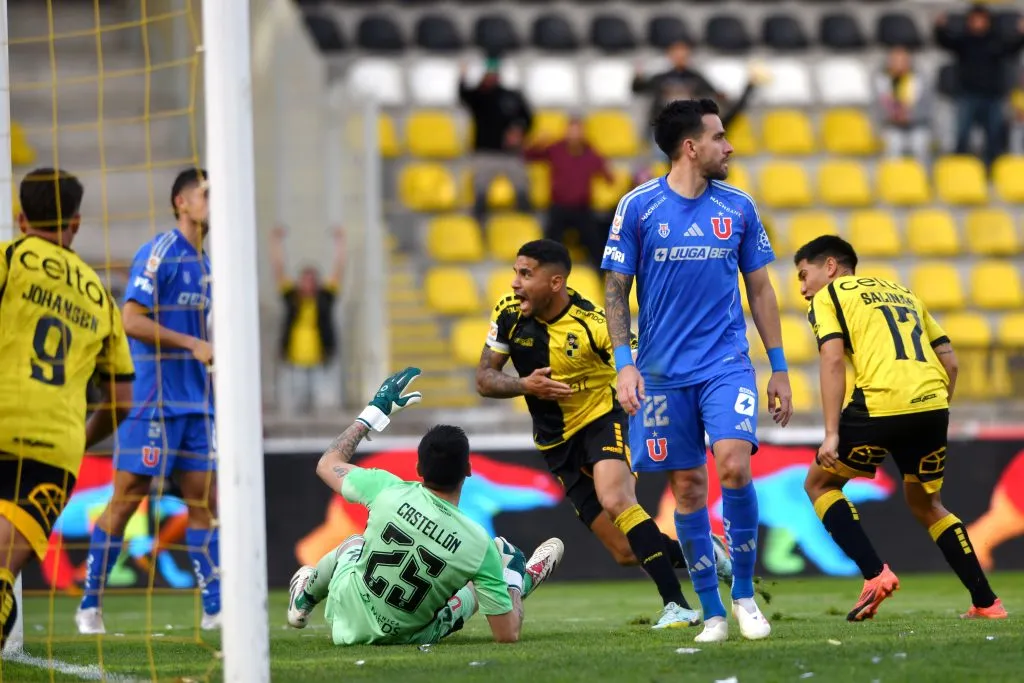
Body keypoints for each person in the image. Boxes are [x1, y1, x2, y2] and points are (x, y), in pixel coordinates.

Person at [603, 99, 793, 643]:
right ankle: (712, 613)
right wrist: (625, 366)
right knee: (687, 489)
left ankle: (744, 596)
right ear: (691, 147)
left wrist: (778, 367)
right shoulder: (637, 207)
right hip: (661, 373)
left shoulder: (739, 206)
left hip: (725, 363)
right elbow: (616, 288)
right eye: (719, 137)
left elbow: (761, 289)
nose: (728, 147)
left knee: (733, 465)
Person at [476, 239, 731, 629]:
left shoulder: (594, 324)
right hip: (556, 443)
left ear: (555, 282)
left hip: (602, 420)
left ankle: (677, 605)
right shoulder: (508, 314)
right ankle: (707, 556)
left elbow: (638, 367)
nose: (515, 283)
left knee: (616, 499)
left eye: (526, 274)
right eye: (516, 273)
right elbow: (484, 379)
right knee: (625, 552)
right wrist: (526, 385)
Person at [793, 235, 1006, 621]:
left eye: (804, 275)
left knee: (820, 484)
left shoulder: (830, 296)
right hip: (932, 404)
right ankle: (987, 603)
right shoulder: (903, 293)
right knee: (928, 504)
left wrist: (832, 433)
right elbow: (951, 362)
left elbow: (832, 359)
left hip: (880, 402)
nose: (803, 288)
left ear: (830, 267)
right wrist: (934, 410)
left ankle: (875, 574)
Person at [286, 367, 564, 645]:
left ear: (418, 468)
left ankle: (303, 600)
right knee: (489, 572)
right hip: (409, 636)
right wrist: (512, 580)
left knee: (353, 544)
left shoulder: (386, 489)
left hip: (345, 620)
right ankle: (519, 581)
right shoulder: (479, 544)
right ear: (468, 470)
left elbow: (327, 465)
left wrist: (374, 413)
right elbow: (507, 634)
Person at [76, 168, 220, 634]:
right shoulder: (160, 253)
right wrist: (192, 344)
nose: (213, 202)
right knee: (127, 500)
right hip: (154, 401)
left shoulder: (207, 265)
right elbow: (131, 319)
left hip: (196, 403)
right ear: (182, 202)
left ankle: (216, 608)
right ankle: (89, 606)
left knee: (205, 501)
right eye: (206, 194)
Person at [0, 168, 135, 647]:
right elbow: (121, 401)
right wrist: (79, 440)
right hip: (53, 449)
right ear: (75, 223)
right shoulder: (99, 295)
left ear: (21, 219)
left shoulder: (9, 259)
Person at [934, 5, 1024, 167]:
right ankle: (960, 166)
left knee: (994, 135)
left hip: (993, 96)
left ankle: (993, 167)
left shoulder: (997, 40)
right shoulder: (964, 40)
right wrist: (940, 28)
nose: (978, 23)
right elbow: (944, 42)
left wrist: (1021, 33)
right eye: (974, 19)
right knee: (962, 133)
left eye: (981, 19)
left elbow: (1013, 48)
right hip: (967, 95)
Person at [270, 225, 345, 415]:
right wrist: (276, 243)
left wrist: (340, 243)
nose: (308, 284)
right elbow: (279, 269)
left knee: (323, 403)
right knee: (295, 404)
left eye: (312, 280)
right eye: (305, 280)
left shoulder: (324, 298)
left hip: (320, 358)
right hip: (294, 360)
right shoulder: (292, 298)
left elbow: (339, 269)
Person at [523, 117, 614, 271]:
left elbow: (608, 177)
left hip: (582, 208)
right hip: (558, 207)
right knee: (548, 245)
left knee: (596, 243)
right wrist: (538, 142)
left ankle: (601, 277)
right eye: (571, 131)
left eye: (578, 131)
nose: (574, 135)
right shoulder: (555, 149)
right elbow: (528, 155)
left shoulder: (590, 152)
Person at [458, 57, 533, 223]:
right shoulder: (478, 96)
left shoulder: (512, 95)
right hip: (485, 153)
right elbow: (463, 96)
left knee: (522, 187)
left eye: (493, 74)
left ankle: (526, 224)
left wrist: (519, 131)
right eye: (487, 74)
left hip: (510, 154)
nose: (491, 77)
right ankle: (478, 226)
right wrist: (462, 76)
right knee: (480, 191)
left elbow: (528, 118)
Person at [874, 46, 933, 163]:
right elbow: (876, 108)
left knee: (919, 143)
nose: (899, 64)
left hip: (916, 124)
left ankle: (920, 173)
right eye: (895, 60)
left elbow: (927, 108)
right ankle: (894, 174)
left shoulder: (919, 80)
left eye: (903, 60)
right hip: (890, 125)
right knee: (893, 143)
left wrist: (909, 116)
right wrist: (892, 117)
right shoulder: (881, 81)